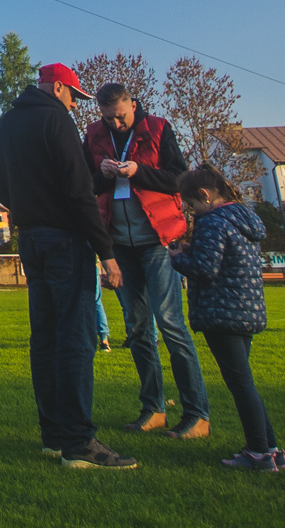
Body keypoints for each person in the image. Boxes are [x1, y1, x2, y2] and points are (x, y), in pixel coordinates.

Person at [0, 61, 136, 470]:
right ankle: (79, 444)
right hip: (65, 241)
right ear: (57, 89)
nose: (75, 104)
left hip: (31, 240)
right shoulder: (57, 123)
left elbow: (0, 187)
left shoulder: (6, 124)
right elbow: (78, 191)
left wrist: (30, 205)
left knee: (46, 338)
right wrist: (105, 251)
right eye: (74, 95)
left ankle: (53, 437)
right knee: (76, 339)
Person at [84, 81, 213, 439]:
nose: (116, 125)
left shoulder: (158, 128)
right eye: (108, 119)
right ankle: (153, 409)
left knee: (170, 324)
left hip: (157, 241)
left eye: (120, 117)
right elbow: (84, 184)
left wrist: (137, 172)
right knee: (137, 329)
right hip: (118, 245)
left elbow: (179, 179)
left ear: (132, 104)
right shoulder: (93, 134)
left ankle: (197, 414)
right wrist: (104, 175)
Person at [168, 166, 285, 473]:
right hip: (245, 309)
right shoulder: (241, 219)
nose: (191, 211)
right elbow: (223, 258)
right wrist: (192, 250)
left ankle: (258, 453)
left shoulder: (211, 222)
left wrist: (177, 257)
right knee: (245, 382)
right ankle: (271, 449)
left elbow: (206, 269)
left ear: (205, 196)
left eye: (191, 205)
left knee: (241, 385)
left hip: (221, 312)